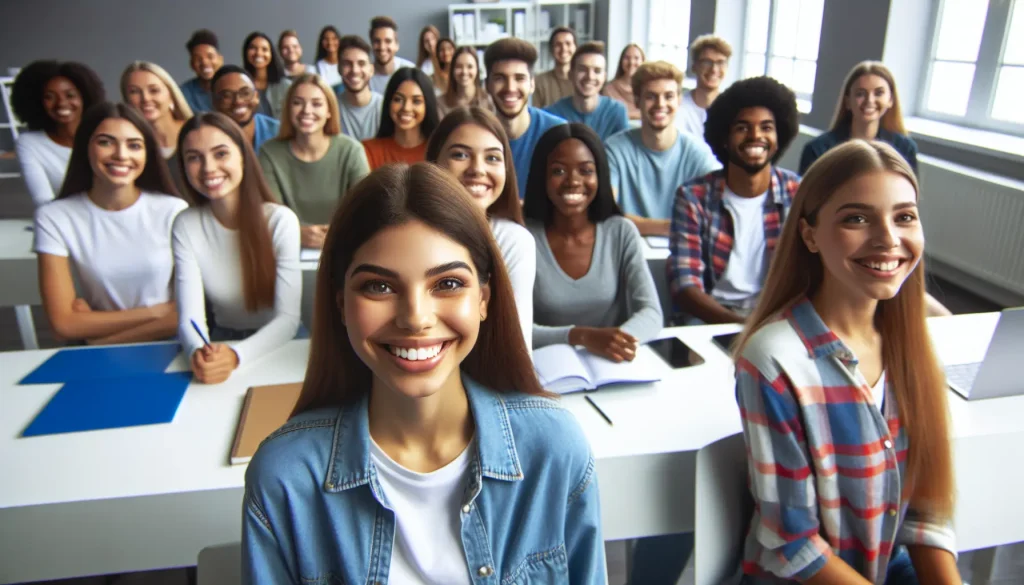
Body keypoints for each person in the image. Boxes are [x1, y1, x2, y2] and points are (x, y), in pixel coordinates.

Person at [242, 162, 605, 584]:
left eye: (448, 283)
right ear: (340, 304)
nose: (416, 318)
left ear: (484, 299)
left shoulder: (554, 450)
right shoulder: (284, 478)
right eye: (379, 286)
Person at [733, 140, 958, 584]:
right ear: (810, 234)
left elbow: (925, 511)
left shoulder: (910, 346)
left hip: (888, 567)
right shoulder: (774, 360)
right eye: (857, 218)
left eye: (904, 217)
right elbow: (794, 544)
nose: (888, 239)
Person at [34, 102, 187, 345]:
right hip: (96, 356)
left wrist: (98, 336)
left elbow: (185, 315)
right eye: (106, 142)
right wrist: (156, 312)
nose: (121, 155)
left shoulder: (173, 210)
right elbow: (63, 323)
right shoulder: (54, 217)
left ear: (147, 154)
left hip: (169, 347)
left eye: (134, 145)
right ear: (85, 148)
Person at [173, 112, 301, 385]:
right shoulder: (185, 224)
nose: (208, 168)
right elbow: (190, 318)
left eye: (220, 154)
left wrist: (235, 355)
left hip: (280, 344)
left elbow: (288, 320)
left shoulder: (280, 220)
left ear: (243, 156)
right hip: (220, 342)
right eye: (194, 157)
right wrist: (199, 351)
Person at [669, 76, 800, 326]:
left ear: (779, 135)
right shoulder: (693, 197)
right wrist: (741, 326)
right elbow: (685, 286)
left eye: (766, 127)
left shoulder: (798, 192)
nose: (755, 136)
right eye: (742, 128)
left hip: (775, 314)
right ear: (725, 139)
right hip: (710, 315)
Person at [523, 124, 662, 356]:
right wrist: (583, 337)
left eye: (586, 170)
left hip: (609, 364)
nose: (573, 181)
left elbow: (651, 312)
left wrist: (617, 341)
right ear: (542, 177)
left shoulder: (621, 231)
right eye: (558, 171)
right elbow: (514, 329)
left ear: (600, 175)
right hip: (545, 367)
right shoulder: (523, 238)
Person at [426, 106, 535, 349]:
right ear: (434, 163)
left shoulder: (513, 240)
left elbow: (517, 346)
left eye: (493, 158)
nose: (477, 169)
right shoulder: (408, 236)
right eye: (460, 155)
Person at [605, 61, 720, 237]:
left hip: (685, 252)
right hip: (627, 250)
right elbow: (606, 214)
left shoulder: (697, 152)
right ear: (637, 101)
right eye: (651, 96)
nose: (660, 104)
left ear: (679, 100)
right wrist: (672, 227)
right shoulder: (614, 149)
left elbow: (719, 207)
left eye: (669, 96)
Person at [259, 74, 369, 249]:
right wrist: (299, 234)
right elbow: (272, 215)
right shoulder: (268, 153)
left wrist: (334, 237)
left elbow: (365, 210)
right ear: (288, 109)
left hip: (345, 246)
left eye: (316, 104)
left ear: (329, 111)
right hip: (286, 246)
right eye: (297, 103)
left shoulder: (351, 150)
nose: (306, 111)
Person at [12, 60, 105, 207]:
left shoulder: (104, 136)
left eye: (70, 95)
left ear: (84, 97)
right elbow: (43, 202)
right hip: (63, 224)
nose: (61, 103)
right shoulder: (30, 144)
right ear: (37, 102)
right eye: (50, 97)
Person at [799, 61, 918, 175]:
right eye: (860, 94)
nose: (869, 101)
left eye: (878, 93)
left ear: (891, 100)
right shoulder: (817, 150)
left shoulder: (905, 149)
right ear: (848, 101)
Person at [483, 38, 566, 200]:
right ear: (487, 85)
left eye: (519, 78)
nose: (510, 88)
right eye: (500, 78)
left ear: (532, 84)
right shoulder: (478, 135)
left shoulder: (557, 133)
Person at [121, 61, 194, 196]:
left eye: (154, 90)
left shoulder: (196, 132)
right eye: (134, 92)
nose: (145, 98)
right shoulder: (126, 147)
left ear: (171, 95)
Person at [544, 41, 629, 140]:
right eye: (582, 69)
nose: (590, 76)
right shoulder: (553, 114)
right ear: (570, 74)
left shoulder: (616, 112)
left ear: (604, 77)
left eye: (597, 71)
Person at [361, 68, 439, 170]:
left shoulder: (439, 152)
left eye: (416, 101)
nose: (406, 108)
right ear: (388, 102)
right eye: (398, 99)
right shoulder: (367, 150)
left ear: (427, 105)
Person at [211, 65, 280, 154]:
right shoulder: (209, 141)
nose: (238, 101)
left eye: (245, 93)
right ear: (214, 102)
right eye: (227, 96)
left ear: (256, 97)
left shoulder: (279, 132)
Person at [678, 34, 732, 138]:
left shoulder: (732, 108)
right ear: (694, 66)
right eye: (707, 62)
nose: (714, 70)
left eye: (721, 63)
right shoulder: (678, 105)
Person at [334, 35, 384, 141]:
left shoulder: (385, 107)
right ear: (339, 68)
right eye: (347, 64)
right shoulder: (330, 109)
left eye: (361, 63)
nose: (355, 70)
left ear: (371, 70)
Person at [242, 32, 292, 118]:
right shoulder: (240, 84)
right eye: (253, 48)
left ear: (271, 54)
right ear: (246, 52)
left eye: (264, 49)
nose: (258, 53)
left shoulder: (286, 86)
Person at [437, 47, 493, 118]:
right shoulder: (440, 103)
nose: (464, 72)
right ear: (452, 70)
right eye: (459, 67)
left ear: (477, 69)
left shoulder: (488, 100)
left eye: (470, 67)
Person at [368, 16, 417, 94]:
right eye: (377, 41)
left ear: (397, 45)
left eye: (388, 41)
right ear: (371, 44)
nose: (382, 47)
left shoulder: (411, 71)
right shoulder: (365, 76)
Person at [180, 29, 224, 114]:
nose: (204, 62)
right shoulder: (183, 94)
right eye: (198, 59)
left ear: (220, 60)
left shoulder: (234, 86)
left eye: (210, 56)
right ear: (192, 64)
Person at [533, 26, 576, 109]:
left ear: (575, 48)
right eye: (558, 44)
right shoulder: (539, 82)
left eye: (568, 43)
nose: (563, 48)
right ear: (551, 49)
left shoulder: (582, 81)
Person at [602, 43, 645, 120]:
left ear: (643, 61)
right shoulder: (609, 89)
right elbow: (608, 115)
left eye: (636, 58)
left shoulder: (648, 89)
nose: (631, 62)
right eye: (627, 58)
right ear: (621, 61)